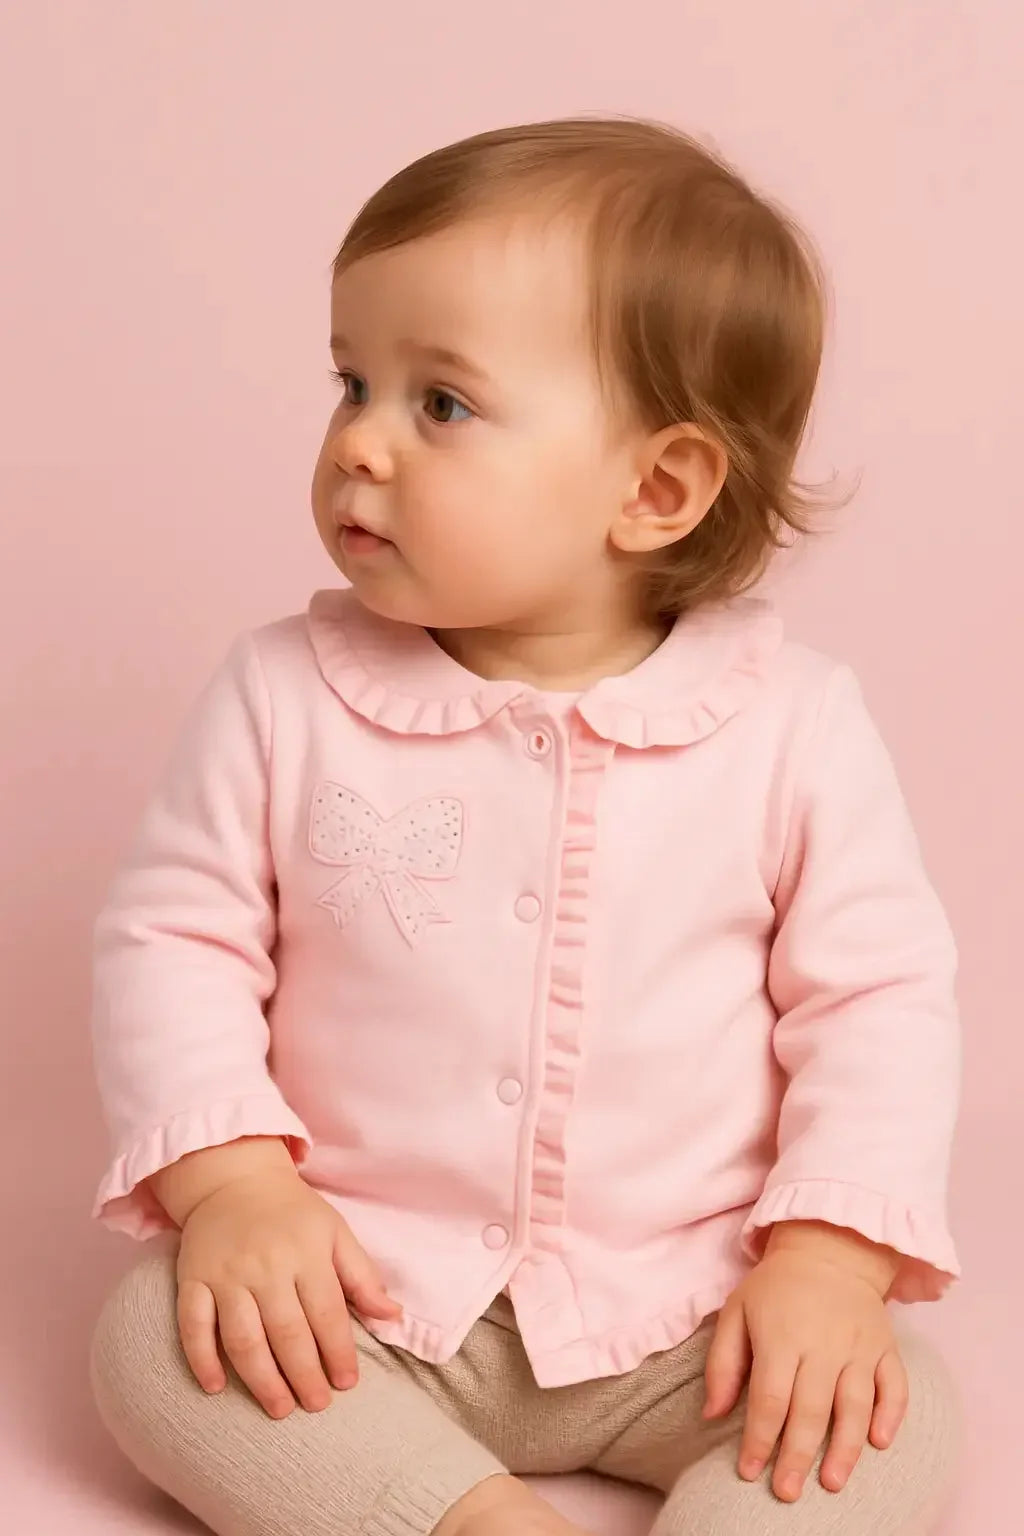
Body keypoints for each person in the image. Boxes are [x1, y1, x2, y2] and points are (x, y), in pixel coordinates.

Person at [87, 117, 962, 1536]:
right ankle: (461, 1519)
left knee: (888, 1411)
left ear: (657, 489)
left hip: (688, 1307)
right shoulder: (280, 695)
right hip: (362, 1287)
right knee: (152, 1339)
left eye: (441, 405)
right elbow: (172, 941)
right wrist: (237, 1188)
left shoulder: (788, 724)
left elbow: (877, 1005)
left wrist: (826, 1259)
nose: (359, 441)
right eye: (351, 380)